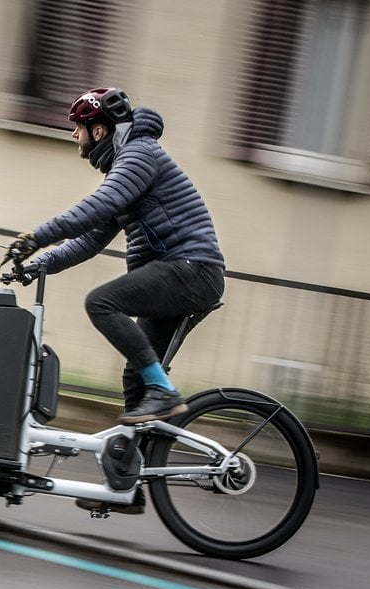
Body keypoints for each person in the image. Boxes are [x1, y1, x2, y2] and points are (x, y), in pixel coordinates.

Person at [14, 87, 226, 513]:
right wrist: (41, 263)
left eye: (78, 128)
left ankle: (164, 392)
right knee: (136, 381)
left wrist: (37, 236)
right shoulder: (125, 167)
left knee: (101, 302)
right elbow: (92, 239)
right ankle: (130, 487)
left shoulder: (138, 156)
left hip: (191, 270)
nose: (75, 137)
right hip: (183, 274)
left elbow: (96, 208)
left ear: (99, 129)